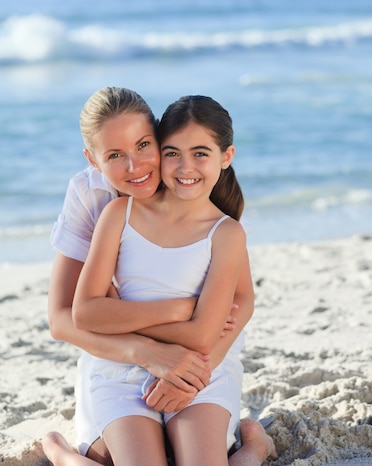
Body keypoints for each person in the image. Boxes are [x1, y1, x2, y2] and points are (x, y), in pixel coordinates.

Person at [42, 88, 275, 466]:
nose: (135, 167)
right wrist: (181, 313)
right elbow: (68, 317)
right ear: (93, 160)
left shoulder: (209, 209)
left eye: (144, 146)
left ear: (158, 138)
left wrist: (197, 369)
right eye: (115, 155)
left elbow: (241, 301)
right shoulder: (107, 206)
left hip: (199, 358)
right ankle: (63, 454)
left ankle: (253, 449)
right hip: (119, 361)